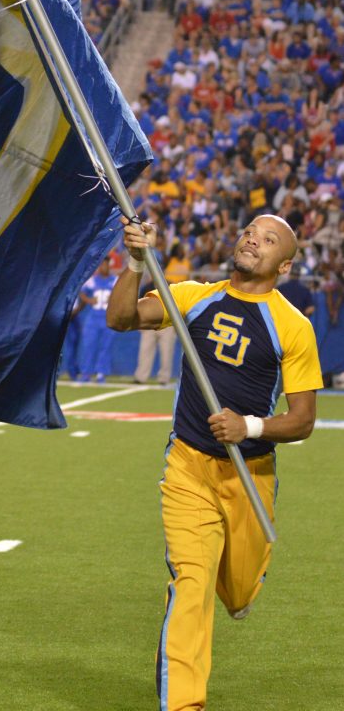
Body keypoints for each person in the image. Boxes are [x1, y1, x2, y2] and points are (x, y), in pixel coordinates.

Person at [107, 214, 322, 711]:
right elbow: (119, 318)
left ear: (284, 264)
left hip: (250, 476)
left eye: (269, 240)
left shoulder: (293, 325)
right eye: (251, 231)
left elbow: (304, 419)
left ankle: (243, 589)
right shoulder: (193, 296)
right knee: (192, 581)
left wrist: (249, 426)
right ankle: (184, 703)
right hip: (187, 466)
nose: (253, 239)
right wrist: (138, 260)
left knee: (239, 589)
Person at [76, 256, 116, 382]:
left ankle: (101, 374)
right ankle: (86, 373)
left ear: (109, 265)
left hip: (108, 318)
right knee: (88, 346)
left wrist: (114, 299)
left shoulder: (115, 280)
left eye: (105, 264)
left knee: (105, 346)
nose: (103, 267)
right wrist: (88, 300)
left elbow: (124, 293)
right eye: (101, 264)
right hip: (93, 318)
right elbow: (80, 291)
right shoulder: (92, 281)